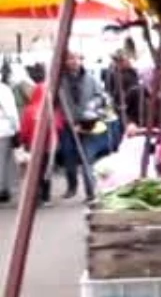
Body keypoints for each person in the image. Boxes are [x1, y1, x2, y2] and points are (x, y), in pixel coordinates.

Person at [57, 52, 104, 200]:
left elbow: (100, 96)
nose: (73, 62)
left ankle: (90, 191)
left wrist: (93, 104)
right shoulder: (59, 80)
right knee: (68, 155)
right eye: (70, 58)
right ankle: (72, 185)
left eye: (76, 58)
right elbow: (52, 99)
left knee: (87, 158)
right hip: (68, 124)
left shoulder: (90, 78)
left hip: (87, 124)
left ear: (81, 60)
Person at [19, 82, 64, 205]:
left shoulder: (29, 110)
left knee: (34, 172)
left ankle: (35, 197)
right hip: (49, 147)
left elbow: (24, 130)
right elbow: (59, 127)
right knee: (47, 172)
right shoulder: (52, 110)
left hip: (32, 146)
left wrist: (23, 142)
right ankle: (45, 197)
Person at [0, 74, 18, 202]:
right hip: (3, 129)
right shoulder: (4, 90)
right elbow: (11, 112)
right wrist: (17, 128)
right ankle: (3, 189)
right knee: (4, 161)